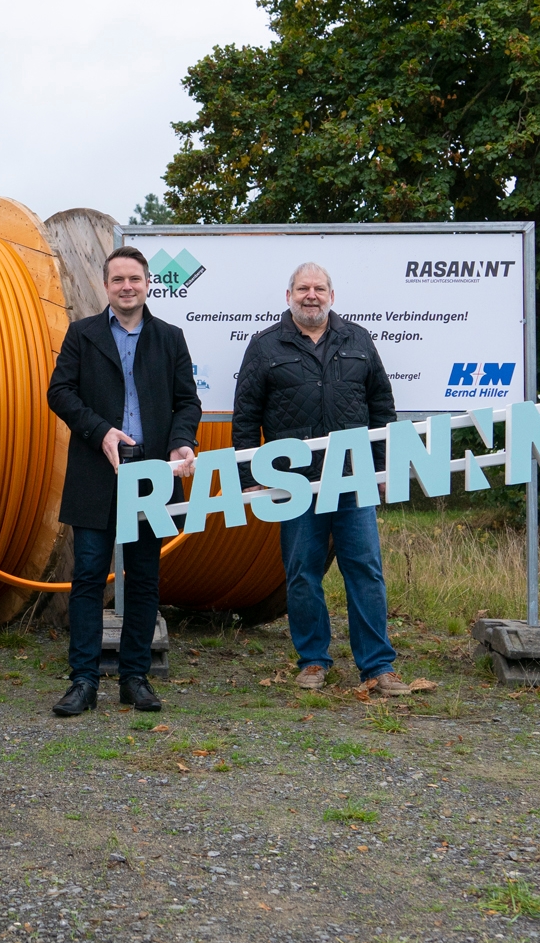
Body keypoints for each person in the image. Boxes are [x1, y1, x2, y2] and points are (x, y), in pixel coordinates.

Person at [232, 263, 405, 697]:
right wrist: (248, 475)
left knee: (365, 570)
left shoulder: (358, 339)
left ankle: (378, 667)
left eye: (319, 288)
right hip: (294, 481)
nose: (312, 295)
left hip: (354, 475)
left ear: (332, 295)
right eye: (303, 288)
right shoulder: (265, 346)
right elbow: (246, 415)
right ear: (288, 294)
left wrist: (383, 466)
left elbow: (382, 406)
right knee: (302, 573)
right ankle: (312, 660)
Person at [45, 246, 199, 717]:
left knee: (144, 578)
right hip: (97, 469)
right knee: (89, 576)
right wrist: (100, 431)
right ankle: (83, 682)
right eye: (118, 280)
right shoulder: (82, 334)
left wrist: (179, 443)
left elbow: (187, 402)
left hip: (153, 472)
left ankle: (136, 679)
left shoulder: (170, 338)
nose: (126, 287)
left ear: (148, 283)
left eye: (135, 278)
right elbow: (59, 393)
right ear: (106, 286)